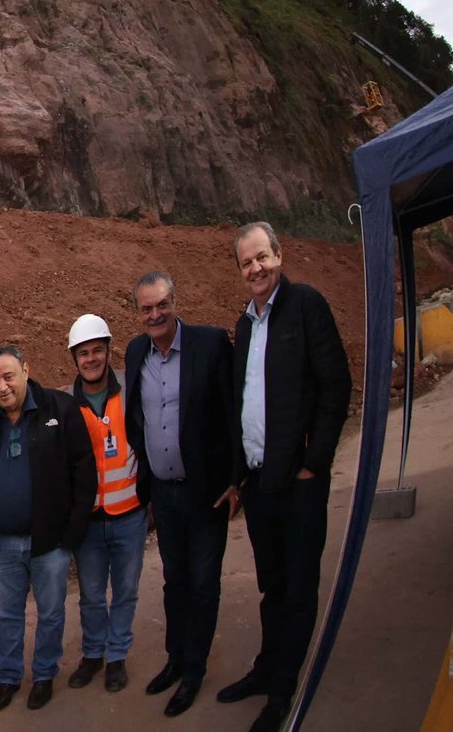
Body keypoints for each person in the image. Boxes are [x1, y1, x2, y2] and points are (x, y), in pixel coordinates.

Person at [220, 222, 351, 732]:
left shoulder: (306, 306)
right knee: (272, 585)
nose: (255, 268)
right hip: (259, 483)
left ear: (279, 255)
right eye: (246, 262)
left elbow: (335, 386)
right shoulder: (247, 324)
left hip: (297, 483)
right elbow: (244, 403)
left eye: (262, 257)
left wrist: (312, 463)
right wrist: (239, 477)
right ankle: (267, 668)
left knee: (298, 585)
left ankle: (281, 691)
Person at [125, 270, 237, 717]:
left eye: (162, 305)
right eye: (147, 308)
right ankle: (175, 658)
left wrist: (234, 479)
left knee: (203, 583)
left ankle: (194, 671)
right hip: (164, 494)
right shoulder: (136, 351)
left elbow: (231, 412)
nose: (155, 314)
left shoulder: (210, 344)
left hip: (205, 491)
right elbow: (136, 414)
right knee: (175, 581)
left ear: (176, 301)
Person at [0, 345, 96, 712]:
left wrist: (70, 536)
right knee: (7, 615)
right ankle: (9, 677)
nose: (1, 386)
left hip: (50, 543)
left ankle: (43, 675)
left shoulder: (60, 408)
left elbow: (84, 473)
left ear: (26, 370)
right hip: (2, 543)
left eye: (8, 376)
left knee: (51, 611)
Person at [63, 313, 145, 694]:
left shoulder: (131, 388)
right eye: (83, 353)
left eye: (97, 350)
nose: (91, 358)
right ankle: (93, 654)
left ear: (108, 351)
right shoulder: (64, 403)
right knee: (93, 594)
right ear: (74, 358)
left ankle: (117, 656)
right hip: (90, 520)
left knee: (125, 589)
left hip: (130, 513)